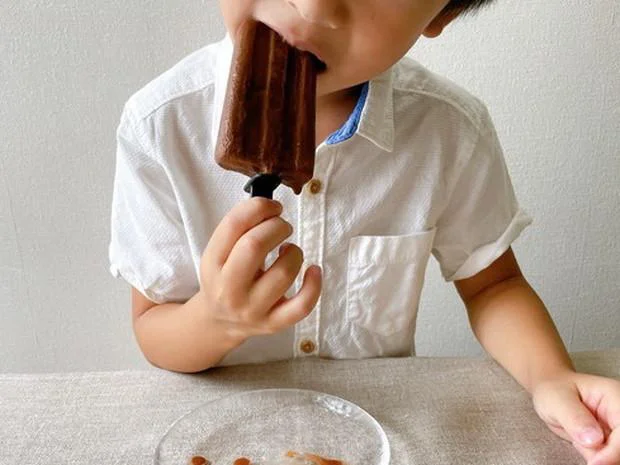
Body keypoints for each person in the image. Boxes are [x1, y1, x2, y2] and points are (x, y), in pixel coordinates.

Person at [108, 1, 620, 463]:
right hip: (225, 437)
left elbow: (493, 285)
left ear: (440, 15)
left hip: (386, 435)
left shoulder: (449, 130)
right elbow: (153, 326)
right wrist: (215, 320)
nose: (313, 5)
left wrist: (552, 377)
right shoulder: (160, 126)